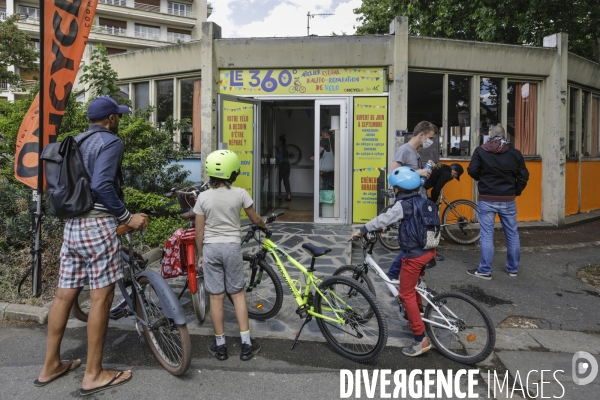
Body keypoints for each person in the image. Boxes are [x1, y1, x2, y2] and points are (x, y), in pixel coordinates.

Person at [36, 97, 147, 395]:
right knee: (101, 298)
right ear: (110, 119)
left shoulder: (76, 142)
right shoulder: (109, 141)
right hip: (98, 225)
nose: (119, 121)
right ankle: (94, 373)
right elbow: (102, 185)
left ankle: (50, 366)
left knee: (63, 296)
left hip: (72, 226)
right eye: (118, 117)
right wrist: (127, 216)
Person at [351, 167, 436, 357]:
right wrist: (387, 226)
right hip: (428, 250)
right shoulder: (422, 200)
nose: (394, 191)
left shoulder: (402, 204)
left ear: (399, 189)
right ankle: (419, 314)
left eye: (395, 188)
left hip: (414, 254)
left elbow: (384, 217)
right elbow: (410, 220)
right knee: (406, 282)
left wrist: (362, 231)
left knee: (405, 294)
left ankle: (420, 339)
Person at [194, 150, 267, 361]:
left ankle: (221, 346)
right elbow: (255, 219)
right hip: (232, 247)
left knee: (216, 297)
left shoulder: (203, 197)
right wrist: (264, 224)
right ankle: (245, 345)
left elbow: (199, 231)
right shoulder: (241, 193)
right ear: (233, 172)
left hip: (211, 248)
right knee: (238, 294)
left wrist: (201, 255)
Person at [467, 125, 529, 280]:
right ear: (505, 135)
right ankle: (513, 268)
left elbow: (472, 170)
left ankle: (485, 270)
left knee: (487, 235)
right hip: (508, 199)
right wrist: (516, 191)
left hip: (487, 198)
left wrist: (483, 179)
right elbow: (523, 175)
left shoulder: (481, 151)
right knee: (512, 234)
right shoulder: (515, 153)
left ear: (489, 135)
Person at [386, 121, 439, 279]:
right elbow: (392, 173)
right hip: (408, 202)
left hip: (417, 198)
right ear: (421, 134)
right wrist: (419, 173)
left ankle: (404, 275)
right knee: (413, 240)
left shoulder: (416, 151)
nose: (430, 141)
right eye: (430, 137)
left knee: (416, 240)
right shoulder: (404, 150)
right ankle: (394, 274)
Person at [277, 135, 291, 201]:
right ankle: (288, 195)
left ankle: (279, 195)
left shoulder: (281, 148)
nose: (278, 142)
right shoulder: (286, 148)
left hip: (282, 165)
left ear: (281, 141)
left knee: (278, 180)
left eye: (279, 141)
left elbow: (280, 158)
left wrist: (278, 164)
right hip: (287, 165)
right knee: (286, 181)